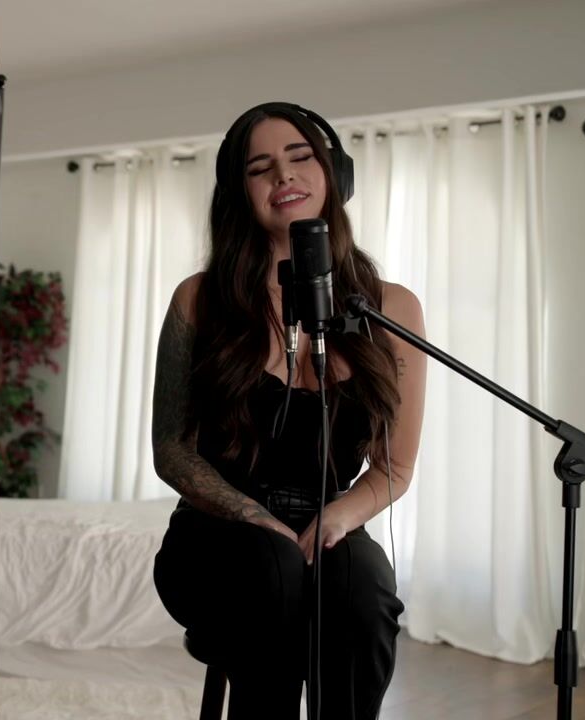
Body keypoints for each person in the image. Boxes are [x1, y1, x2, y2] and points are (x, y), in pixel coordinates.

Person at [150, 102, 427, 719]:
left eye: (301, 157)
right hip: (216, 533)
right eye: (260, 168)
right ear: (240, 192)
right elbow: (171, 450)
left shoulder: (393, 310)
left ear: (334, 175)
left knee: (363, 591)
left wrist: (338, 517)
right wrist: (255, 516)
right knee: (274, 573)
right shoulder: (200, 299)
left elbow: (395, 466)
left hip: (327, 522)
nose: (284, 176)